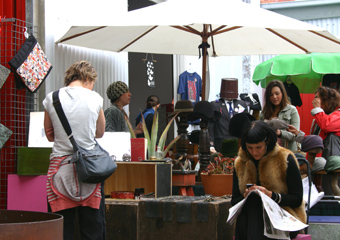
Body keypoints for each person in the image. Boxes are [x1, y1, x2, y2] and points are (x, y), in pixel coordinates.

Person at [43, 61, 106, 239]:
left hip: (60, 170)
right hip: (89, 169)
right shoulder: (95, 98)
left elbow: (49, 135)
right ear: (87, 78)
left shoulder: (52, 98)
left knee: (62, 229)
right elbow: (100, 132)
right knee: (92, 228)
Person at [231, 120, 306, 240]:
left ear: (268, 142)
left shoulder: (285, 158)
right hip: (252, 218)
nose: (254, 152)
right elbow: (234, 200)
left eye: (258, 147)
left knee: (256, 205)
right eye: (250, 148)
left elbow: (297, 199)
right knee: (253, 202)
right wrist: (245, 196)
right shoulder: (240, 163)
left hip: (286, 218)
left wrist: (271, 195)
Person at [209, 78, 248, 152]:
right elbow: (211, 126)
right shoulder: (215, 105)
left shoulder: (242, 104)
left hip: (238, 144)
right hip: (220, 143)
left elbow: (246, 125)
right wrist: (211, 145)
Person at [260, 80, 300, 151]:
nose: (274, 97)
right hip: (270, 152)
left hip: (288, 152)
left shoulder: (292, 110)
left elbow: (295, 134)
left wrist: (280, 133)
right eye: (271, 95)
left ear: (282, 93)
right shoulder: (264, 112)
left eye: (277, 93)